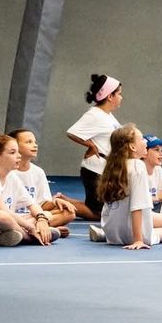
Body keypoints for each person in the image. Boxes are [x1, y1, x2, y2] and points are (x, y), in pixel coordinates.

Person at [97, 126, 162, 250]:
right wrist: (138, 239)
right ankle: (137, 235)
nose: (145, 143)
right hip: (131, 233)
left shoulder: (113, 166)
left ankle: (103, 234)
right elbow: (137, 205)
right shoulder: (138, 166)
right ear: (132, 147)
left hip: (111, 233)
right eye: (142, 139)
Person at [65, 74, 124, 220]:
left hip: (104, 170)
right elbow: (72, 132)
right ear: (110, 96)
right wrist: (90, 144)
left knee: (103, 209)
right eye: (119, 94)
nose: (121, 98)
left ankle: (65, 201)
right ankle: (61, 203)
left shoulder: (108, 115)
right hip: (94, 170)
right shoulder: (95, 114)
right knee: (99, 213)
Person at [9, 128, 76, 235]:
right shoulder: (8, 171)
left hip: (34, 216)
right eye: (29, 142)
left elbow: (42, 204)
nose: (35, 145)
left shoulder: (38, 172)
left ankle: (33, 229)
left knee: (69, 213)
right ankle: (40, 229)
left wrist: (55, 202)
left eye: (35, 142)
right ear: (14, 146)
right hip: (12, 216)